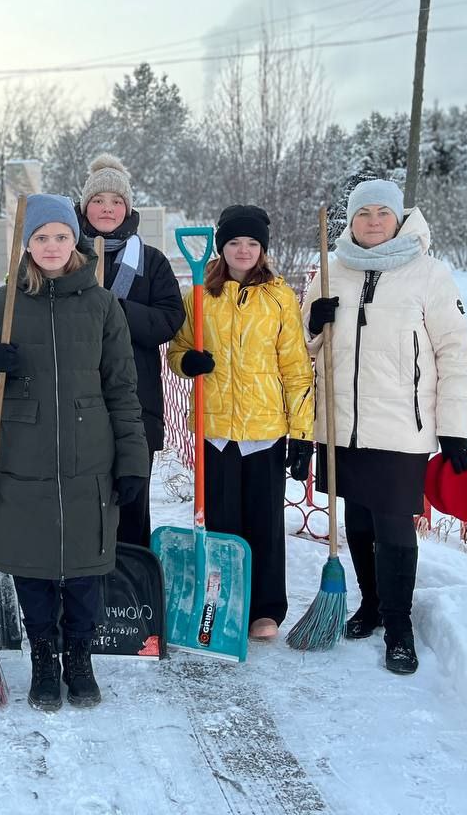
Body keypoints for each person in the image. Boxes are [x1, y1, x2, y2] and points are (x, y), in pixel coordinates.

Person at [0, 194, 150, 712]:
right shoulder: (1, 304)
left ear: (77, 242)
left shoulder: (101, 304)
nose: (51, 246)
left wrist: (134, 461)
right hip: (22, 454)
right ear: (26, 245)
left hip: (90, 452)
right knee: (33, 564)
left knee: (88, 564)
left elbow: (122, 389)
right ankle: (44, 657)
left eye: (61, 237)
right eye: (41, 237)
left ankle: (79, 656)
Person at [302, 179, 467, 675]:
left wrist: (453, 427)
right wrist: (313, 323)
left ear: (399, 218)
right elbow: (301, 350)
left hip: (402, 426)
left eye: (383, 212)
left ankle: (399, 625)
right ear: (350, 221)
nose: (373, 221)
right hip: (343, 425)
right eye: (363, 213)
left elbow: (455, 354)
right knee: (357, 521)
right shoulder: (332, 273)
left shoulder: (429, 275)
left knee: (395, 526)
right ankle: (372, 605)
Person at [167, 205, 314, 642]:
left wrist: (302, 434)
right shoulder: (199, 293)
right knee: (221, 521)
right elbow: (177, 350)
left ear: (263, 249)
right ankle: (226, 600)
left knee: (266, 523)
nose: (243, 250)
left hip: (265, 430)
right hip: (215, 430)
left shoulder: (279, 296)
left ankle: (266, 609)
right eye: (234, 242)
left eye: (252, 243)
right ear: (221, 247)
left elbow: (296, 367)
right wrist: (186, 362)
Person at [77, 153, 184, 548]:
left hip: (136, 402)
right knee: (82, 503)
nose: (107, 208)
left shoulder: (150, 262)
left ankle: (129, 591)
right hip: (77, 403)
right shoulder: (66, 256)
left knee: (130, 501)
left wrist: (117, 309)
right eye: (99, 200)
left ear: (129, 208)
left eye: (116, 201)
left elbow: (168, 320)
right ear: (85, 206)